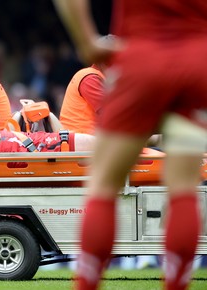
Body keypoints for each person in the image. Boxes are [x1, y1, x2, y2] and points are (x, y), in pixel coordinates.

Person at [52, 0, 207, 289]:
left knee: (103, 185)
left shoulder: (92, 72)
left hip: (143, 56)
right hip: (198, 62)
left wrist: (87, 41)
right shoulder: (89, 79)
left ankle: (86, 282)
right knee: (184, 186)